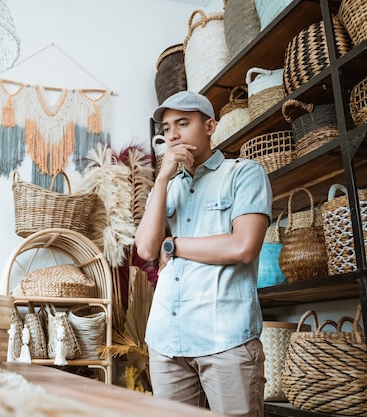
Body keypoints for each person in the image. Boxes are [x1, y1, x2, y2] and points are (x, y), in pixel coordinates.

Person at [135, 91, 272, 417]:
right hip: (167, 341)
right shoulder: (170, 185)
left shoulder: (244, 173)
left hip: (225, 338)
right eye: (167, 128)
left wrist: (175, 245)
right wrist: (162, 178)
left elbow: (243, 246)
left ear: (210, 126)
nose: (173, 135)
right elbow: (145, 248)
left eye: (183, 123)